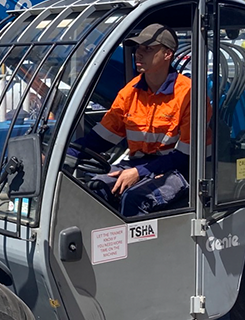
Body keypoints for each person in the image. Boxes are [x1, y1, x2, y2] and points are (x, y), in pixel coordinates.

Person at [69, 23, 191, 217]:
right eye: (138, 48)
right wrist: (61, 155)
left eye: (147, 49)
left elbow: (185, 157)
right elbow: (100, 139)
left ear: (168, 54)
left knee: (135, 198)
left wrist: (139, 172)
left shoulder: (188, 94)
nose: (138, 54)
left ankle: (142, 248)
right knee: (93, 189)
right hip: (139, 164)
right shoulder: (130, 91)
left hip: (179, 171)